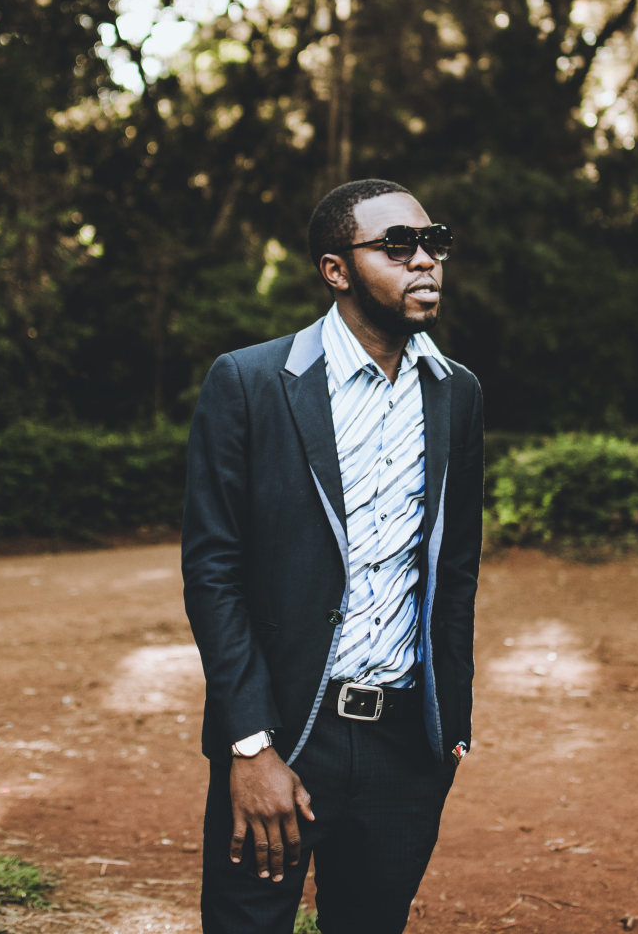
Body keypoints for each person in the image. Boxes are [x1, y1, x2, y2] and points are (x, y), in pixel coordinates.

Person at [182, 178, 484, 934]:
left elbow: (455, 570)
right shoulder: (250, 383)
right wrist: (249, 745)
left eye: (433, 242)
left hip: (405, 744)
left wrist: (450, 732)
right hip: (283, 733)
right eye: (397, 245)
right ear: (336, 270)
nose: (425, 261)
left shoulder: (458, 394)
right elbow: (213, 573)